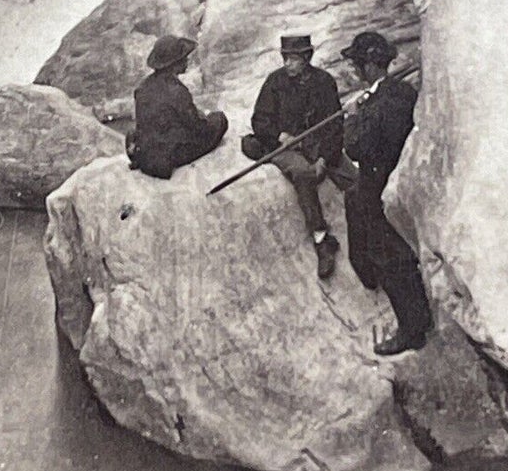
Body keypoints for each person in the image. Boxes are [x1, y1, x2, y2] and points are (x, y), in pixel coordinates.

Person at [340, 31, 433, 356]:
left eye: (355, 64)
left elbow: (354, 148)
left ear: (367, 67)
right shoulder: (403, 92)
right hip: (401, 176)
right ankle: (365, 269)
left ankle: (412, 330)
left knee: (390, 257)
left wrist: (352, 118)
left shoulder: (375, 107)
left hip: (377, 185)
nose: (353, 70)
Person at [243, 34, 343, 280]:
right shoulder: (275, 82)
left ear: (307, 58)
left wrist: (324, 158)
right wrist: (279, 136)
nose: (288, 63)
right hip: (284, 147)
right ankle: (321, 239)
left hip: (316, 144)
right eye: (285, 58)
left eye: (294, 59)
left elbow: (334, 125)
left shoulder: (323, 82)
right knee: (303, 174)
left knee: (352, 178)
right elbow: (259, 120)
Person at [128, 35, 229, 179]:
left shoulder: (143, 87)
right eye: (183, 58)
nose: (187, 60)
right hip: (168, 156)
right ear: (174, 63)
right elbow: (197, 127)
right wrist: (206, 119)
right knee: (219, 120)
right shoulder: (177, 91)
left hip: (146, 154)